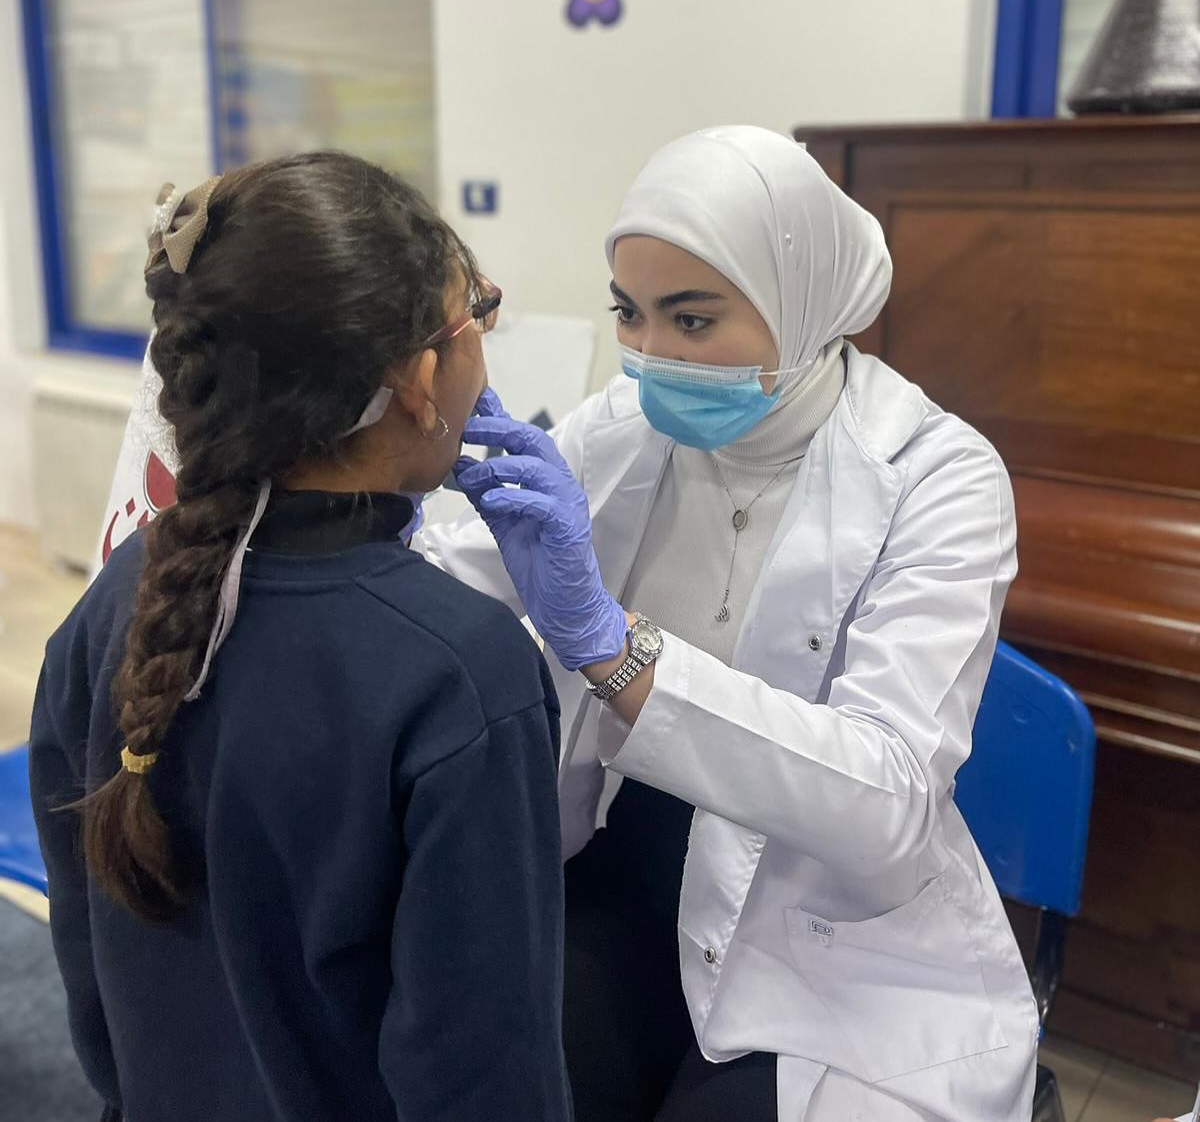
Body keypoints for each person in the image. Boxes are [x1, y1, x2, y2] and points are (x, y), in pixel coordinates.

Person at [421, 126, 1040, 1122]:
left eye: (693, 319)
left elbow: (887, 801)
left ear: (801, 305)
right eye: (630, 313)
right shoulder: (621, 426)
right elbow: (458, 577)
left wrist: (615, 650)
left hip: (827, 920)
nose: (650, 353)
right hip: (626, 859)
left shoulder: (938, 477)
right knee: (500, 1079)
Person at [29, 154, 571, 1122]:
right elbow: (487, 1074)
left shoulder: (116, 599)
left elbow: (94, 993)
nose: (485, 339)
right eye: (477, 314)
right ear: (417, 380)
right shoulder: (464, 678)